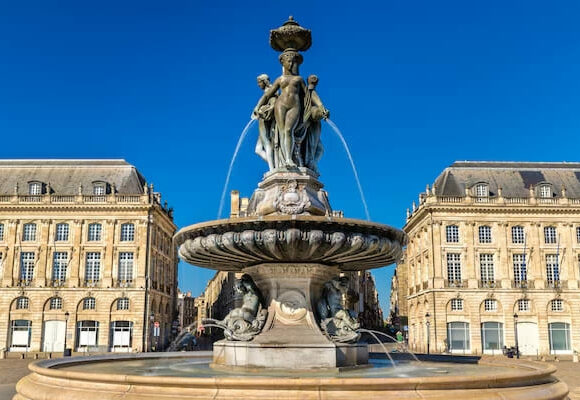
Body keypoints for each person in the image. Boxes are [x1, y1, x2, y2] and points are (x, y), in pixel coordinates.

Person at [253, 49, 306, 169]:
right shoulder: (280, 79)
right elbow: (267, 95)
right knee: (282, 131)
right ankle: (285, 160)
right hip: (281, 105)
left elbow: (307, 95)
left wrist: (318, 107)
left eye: (293, 62)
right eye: (288, 62)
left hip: (295, 105)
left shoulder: (299, 79)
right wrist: (257, 106)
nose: (291, 64)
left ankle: (288, 158)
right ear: (284, 63)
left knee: (288, 130)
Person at [254, 74, 277, 170]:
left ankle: (272, 168)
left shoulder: (269, 90)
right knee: (258, 149)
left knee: (266, 144)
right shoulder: (271, 90)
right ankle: (276, 165)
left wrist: (262, 110)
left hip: (265, 119)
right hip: (266, 120)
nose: (258, 85)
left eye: (259, 82)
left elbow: (274, 104)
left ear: (263, 81)